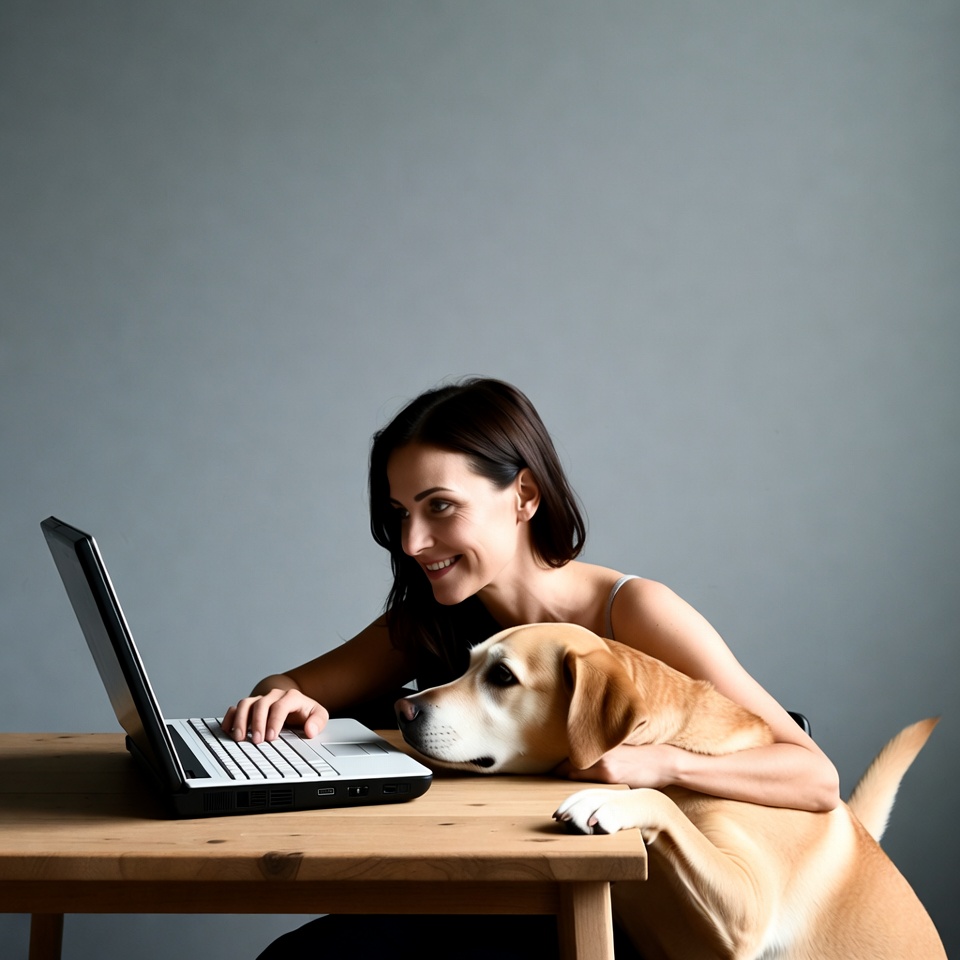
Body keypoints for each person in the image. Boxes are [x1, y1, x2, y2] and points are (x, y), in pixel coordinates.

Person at [224, 377, 840, 959]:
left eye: (440, 506)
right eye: (401, 513)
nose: (411, 542)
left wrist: (660, 766)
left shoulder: (635, 612)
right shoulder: (433, 619)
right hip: (496, 885)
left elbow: (814, 778)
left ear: (523, 496)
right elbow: (288, 686)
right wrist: (282, 701)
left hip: (629, 914)